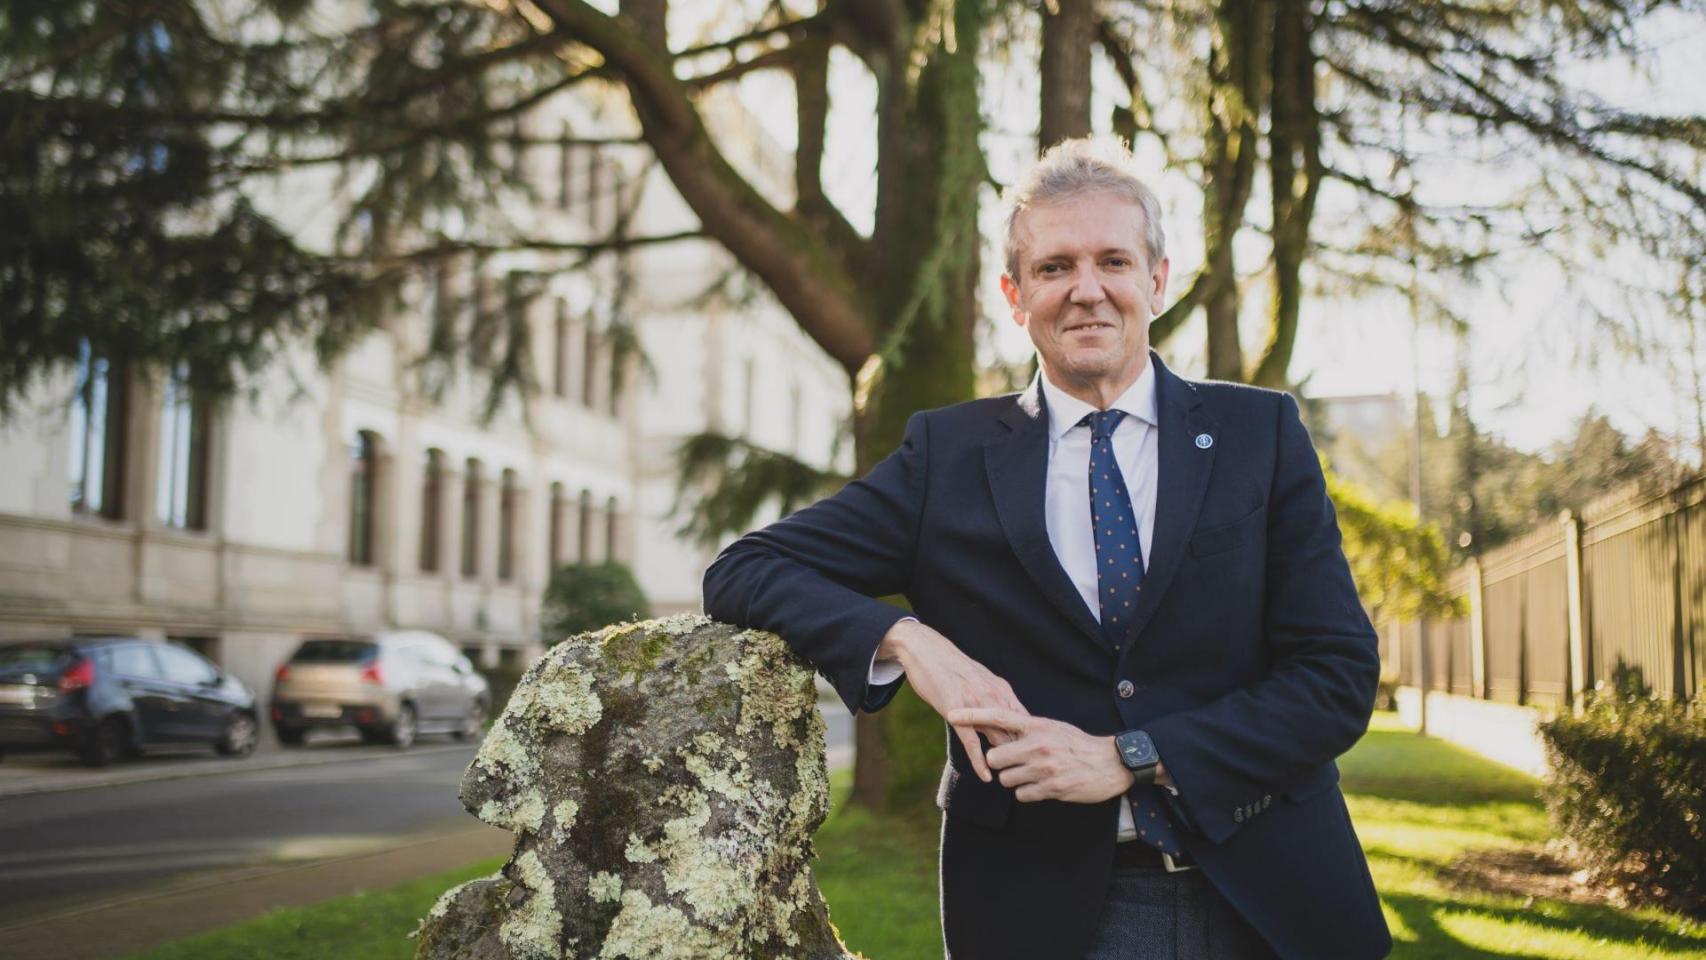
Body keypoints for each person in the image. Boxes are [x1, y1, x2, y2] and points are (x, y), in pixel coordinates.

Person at [702, 137, 1390, 960]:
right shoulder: (945, 457)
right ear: (1014, 294)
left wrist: (1134, 758)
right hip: (1040, 906)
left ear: (1157, 281)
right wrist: (907, 642)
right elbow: (742, 570)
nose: (1087, 291)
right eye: (1055, 267)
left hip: (1267, 886)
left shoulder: (1260, 434)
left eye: (1113, 261)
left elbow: (1336, 675)